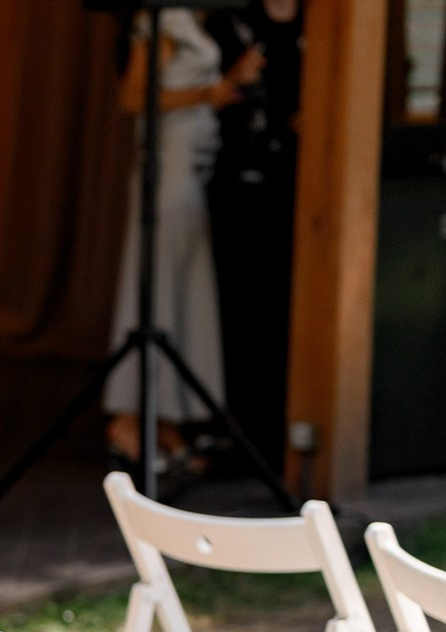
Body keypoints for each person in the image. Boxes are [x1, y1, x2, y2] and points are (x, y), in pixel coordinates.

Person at [101, 8, 262, 473]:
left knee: (183, 295)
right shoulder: (162, 20)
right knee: (156, 290)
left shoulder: (194, 19)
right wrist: (207, 92)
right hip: (167, 169)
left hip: (193, 167)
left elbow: (193, 92)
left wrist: (230, 80)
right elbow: (135, 96)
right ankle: (128, 418)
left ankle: (165, 418)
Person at [207, 0, 302, 465]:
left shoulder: (317, 26)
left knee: (282, 306)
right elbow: (208, 94)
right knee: (234, 304)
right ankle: (230, 426)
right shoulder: (230, 22)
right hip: (236, 177)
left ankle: (277, 427)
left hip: (297, 185)